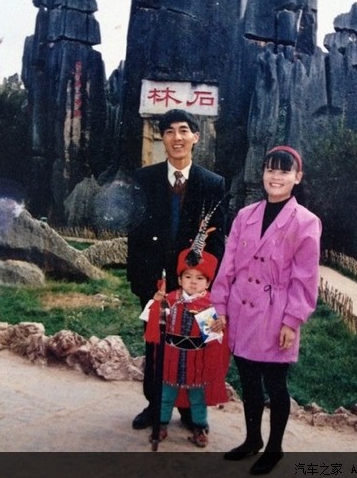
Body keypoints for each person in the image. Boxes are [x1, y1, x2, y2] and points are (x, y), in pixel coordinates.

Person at [210, 146, 321, 475]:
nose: (276, 177)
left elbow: (305, 278)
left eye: (284, 171)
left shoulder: (306, 222)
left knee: (275, 384)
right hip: (241, 309)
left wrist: (292, 321)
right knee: (248, 381)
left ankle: (274, 449)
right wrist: (220, 306)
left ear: (297, 177)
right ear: (262, 174)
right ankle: (252, 439)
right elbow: (228, 264)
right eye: (271, 169)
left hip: (276, 315)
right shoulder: (245, 215)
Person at [127, 109, 226, 430]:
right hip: (155, 283)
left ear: (196, 136)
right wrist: (141, 282)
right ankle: (155, 406)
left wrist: (204, 285)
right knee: (156, 344)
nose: (177, 137)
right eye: (169, 131)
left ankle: (191, 412)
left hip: (195, 285)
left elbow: (217, 241)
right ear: (162, 137)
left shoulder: (213, 183)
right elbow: (135, 235)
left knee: (195, 347)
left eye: (184, 130)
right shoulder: (143, 179)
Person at [142, 247, 229, 448]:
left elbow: (214, 341)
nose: (193, 282)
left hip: (196, 364)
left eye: (199, 278)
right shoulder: (170, 300)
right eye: (188, 277)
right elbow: (153, 322)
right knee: (165, 396)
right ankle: (161, 425)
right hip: (170, 360)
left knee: (197, 398)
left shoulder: (209, 306)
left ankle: (199, 428)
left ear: (208, 283)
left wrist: (219, 327)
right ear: (180, 280)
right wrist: (156, 305)